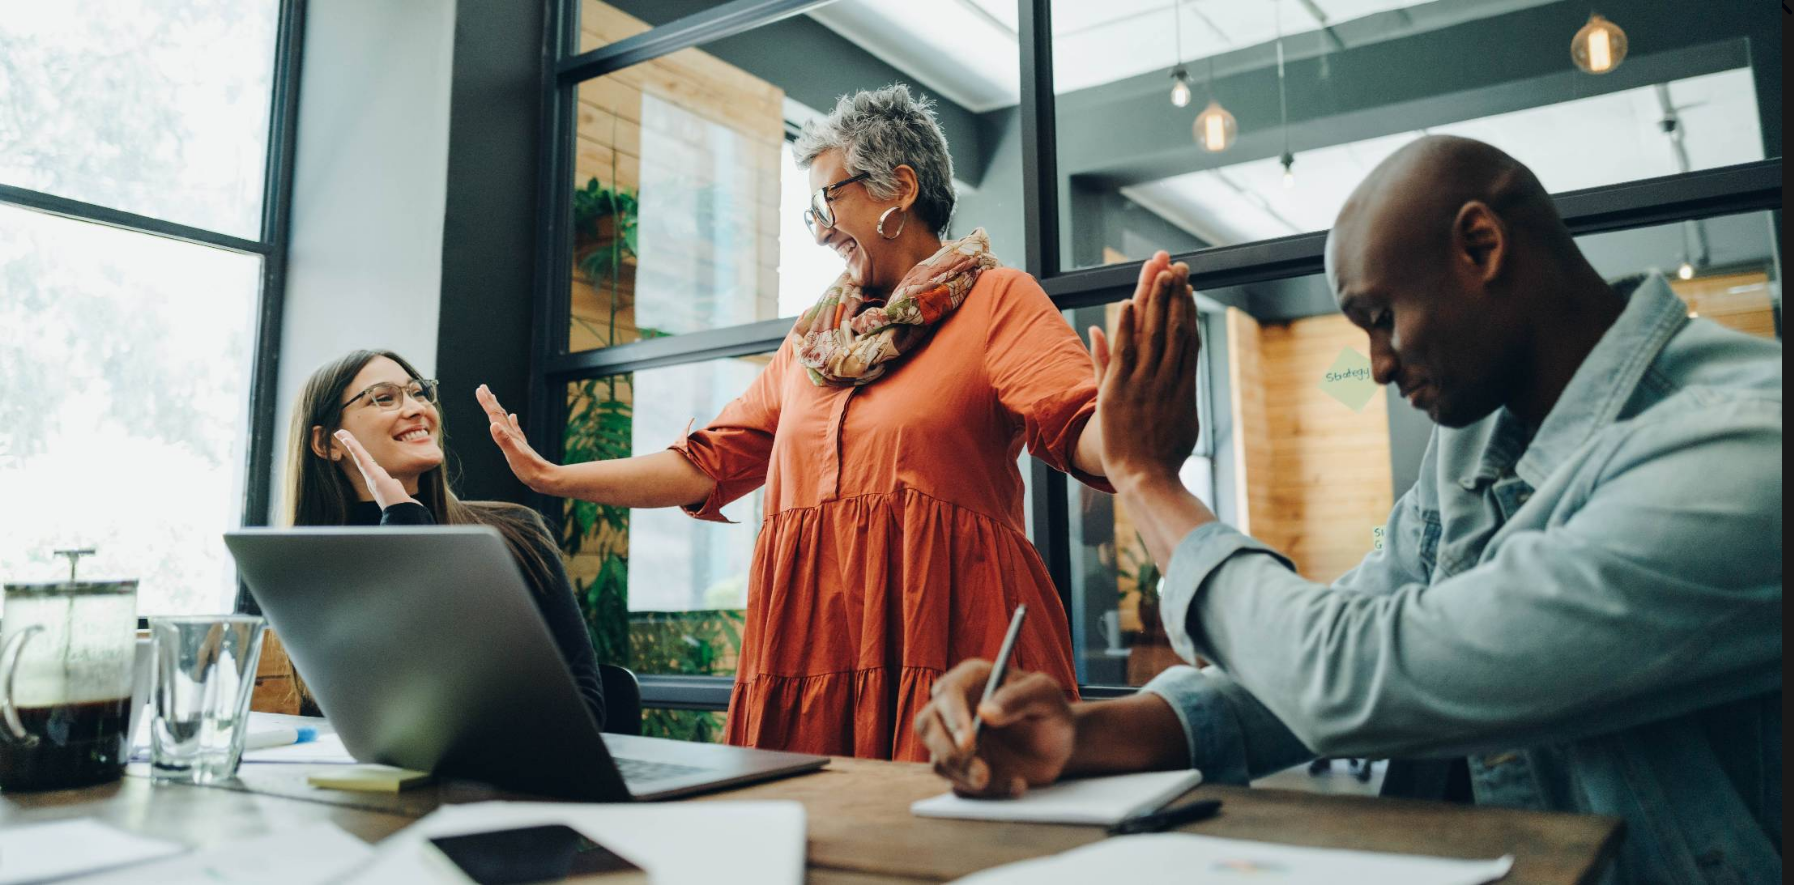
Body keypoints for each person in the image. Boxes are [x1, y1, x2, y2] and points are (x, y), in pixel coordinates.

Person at [917, 136, 1781, 884]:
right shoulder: (1472, 445)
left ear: (1480, 245)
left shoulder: (1740, 447)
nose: (1374, 365)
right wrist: (1083, 734)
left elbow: (1365, 675)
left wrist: (1146, 478)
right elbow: (1319, 654)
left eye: (1380, 317)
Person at [477, 84, 1109, 761]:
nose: (820, 228)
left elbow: (1086, 431)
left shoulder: (997, 300)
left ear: (899, 187)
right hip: (810, 647)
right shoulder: (813, 341)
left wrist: (1133, 427)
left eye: (828, 201)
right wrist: (555, 475)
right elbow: (705, 462)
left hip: (948, 641)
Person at [284, 349, 605, 729]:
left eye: (419, 393)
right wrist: (402, 519)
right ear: (326, 443)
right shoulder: (317, 564)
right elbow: (372, 718)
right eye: (384, 397)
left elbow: (584, 713)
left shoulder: (516, 533)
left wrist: (405, 519)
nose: (418, 408)